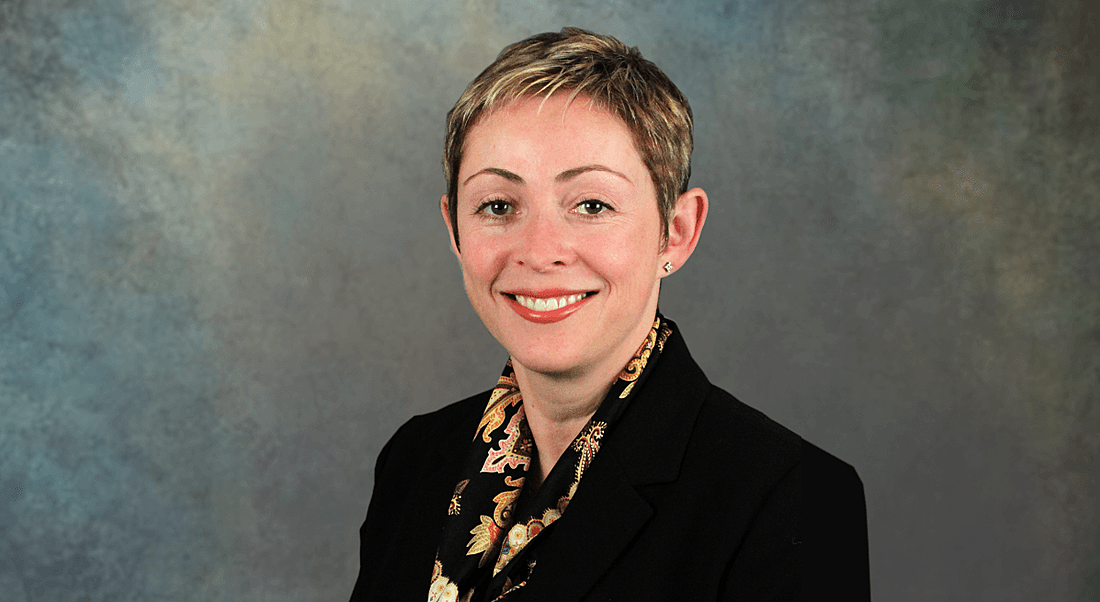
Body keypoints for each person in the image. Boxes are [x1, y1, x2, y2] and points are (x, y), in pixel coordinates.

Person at [350, 28, 870, 601]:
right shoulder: (415, 461)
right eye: (498, 206)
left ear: (677, 232)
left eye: (592, 205)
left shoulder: (795, 497)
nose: (539, 249)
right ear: (454, 227)